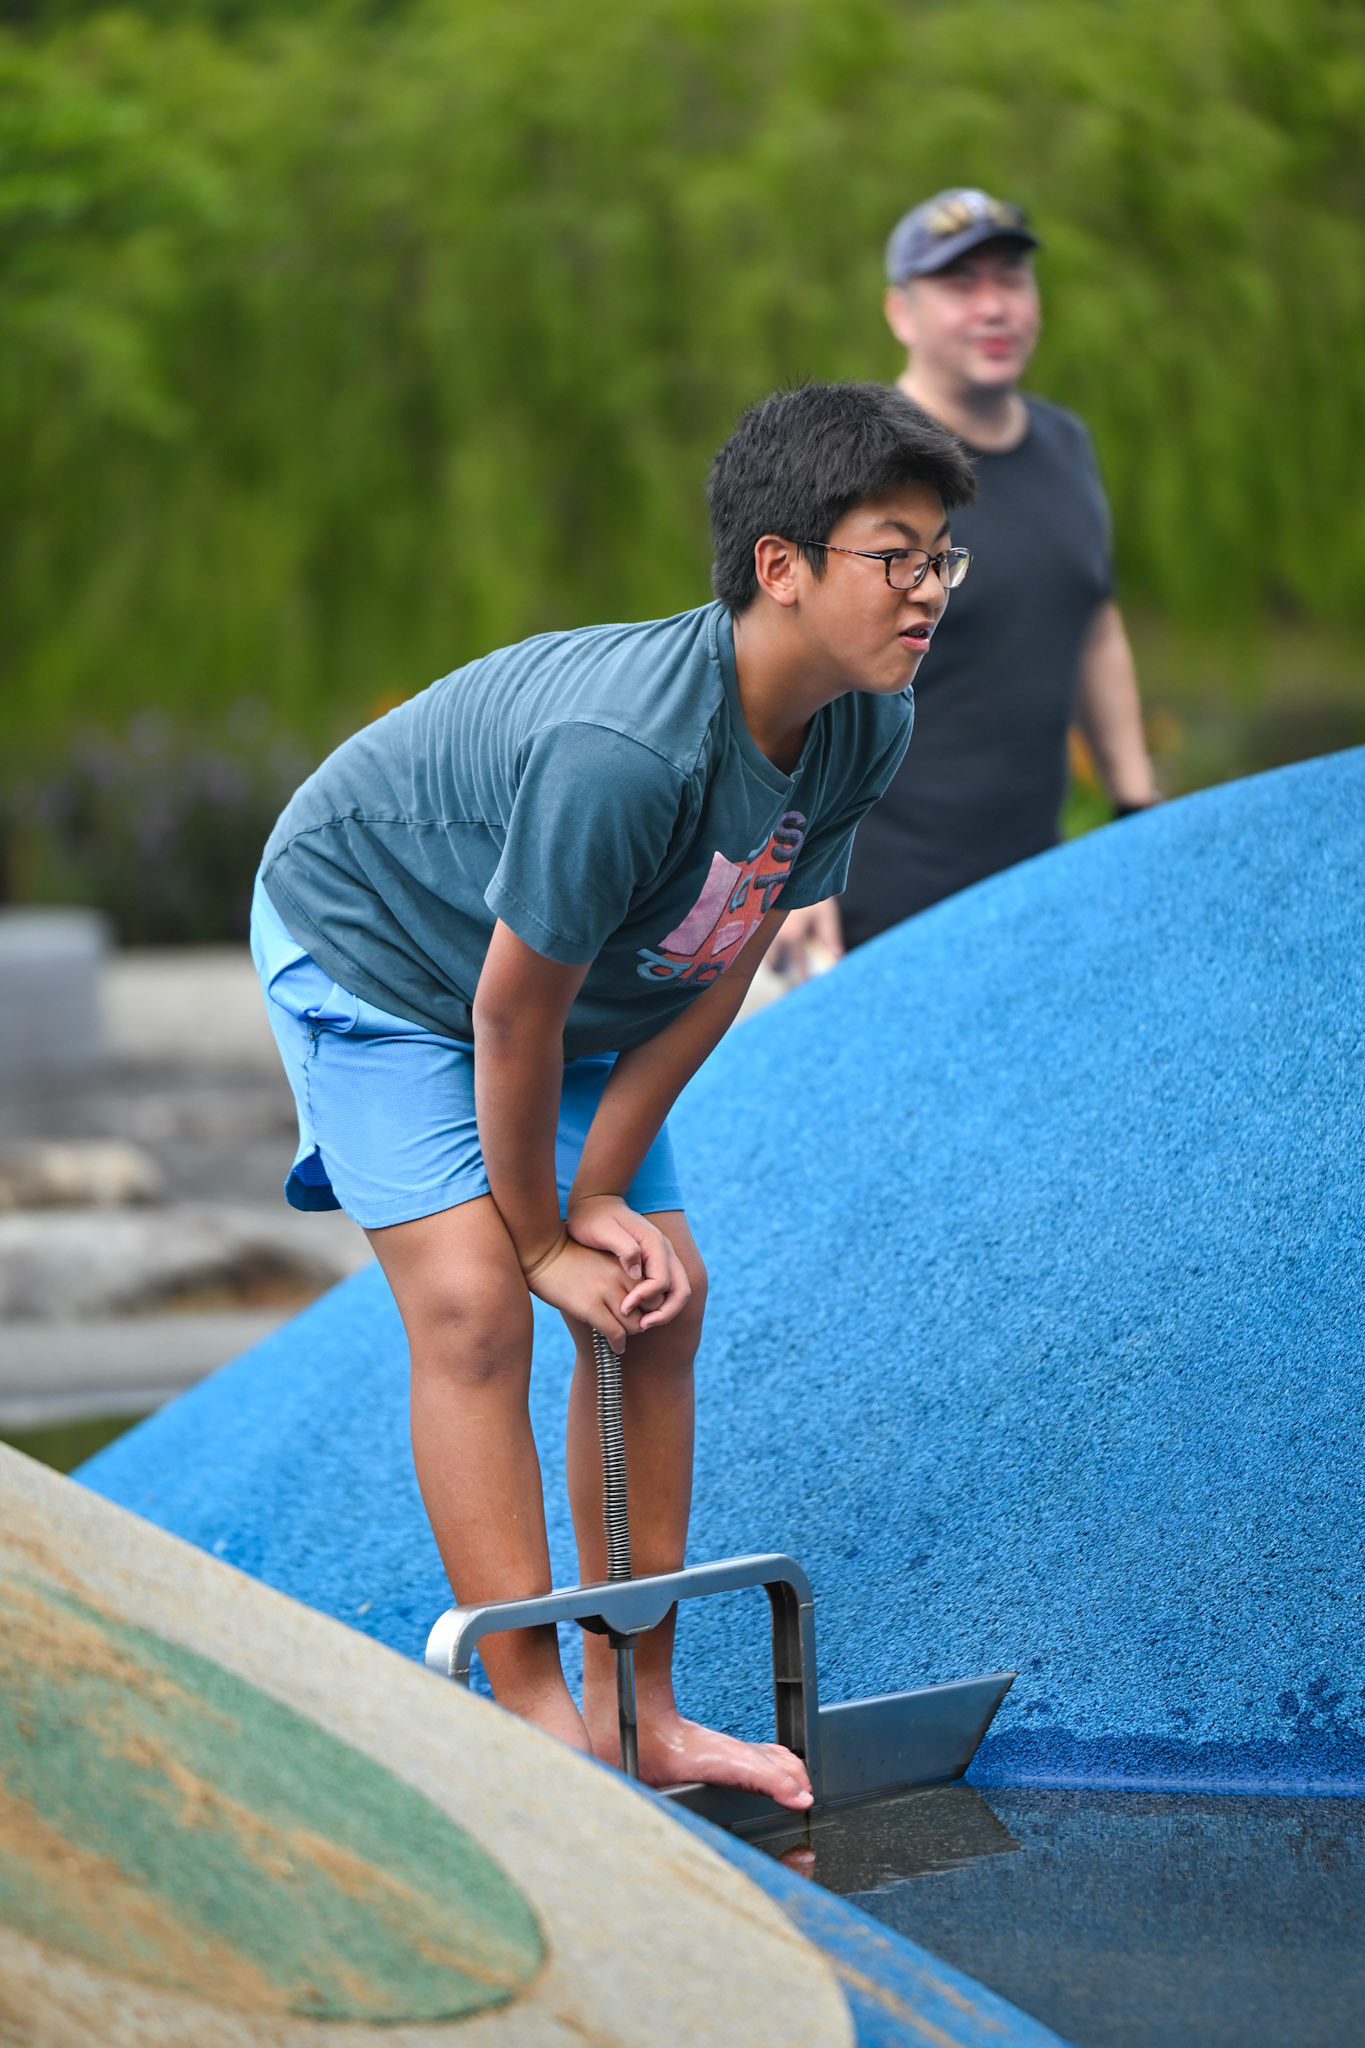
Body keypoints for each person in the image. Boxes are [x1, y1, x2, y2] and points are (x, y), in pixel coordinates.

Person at [251, 382, 976, 1810]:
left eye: (942, 556)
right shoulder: (627, 753)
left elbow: (727, 957)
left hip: (575, 982)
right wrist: (538, 1240)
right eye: (896, 556)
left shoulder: (862, 723)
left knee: (659, 1296)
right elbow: (506, 1015)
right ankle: (533, 1718)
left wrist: (594, 1197)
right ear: (780, 565)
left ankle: (636, 1712)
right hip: (382, 945)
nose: (930, 590)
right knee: (475, 1303)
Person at [771, 188, 1158, 970]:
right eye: (959, 285)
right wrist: (786, 864)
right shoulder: (856, 461)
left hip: (1037, 877)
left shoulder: (1066, 445)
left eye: (1010, 279)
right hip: (886, 896)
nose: (993, 306)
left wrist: (1136, 804)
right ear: (901, 313)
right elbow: (781, 662)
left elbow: (1091, 622)